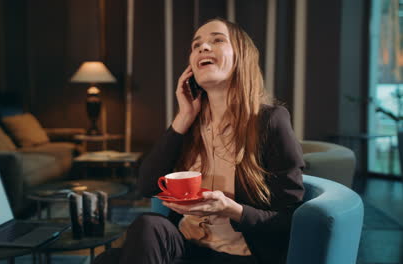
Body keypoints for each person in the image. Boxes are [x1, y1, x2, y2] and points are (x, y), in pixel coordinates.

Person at [94, 18, 304, 264]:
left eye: (217, 40)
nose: (203, 48)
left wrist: (232, 209)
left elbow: (290, 218)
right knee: (147, 225)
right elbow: (147, 186)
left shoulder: (270, 121)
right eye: (197, 45)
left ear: (242, 57)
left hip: (238, 255)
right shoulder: (190, 124)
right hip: (185, 245)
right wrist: (183, 117)